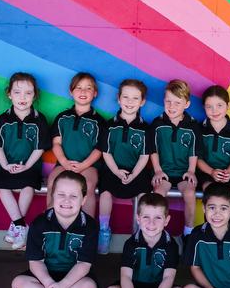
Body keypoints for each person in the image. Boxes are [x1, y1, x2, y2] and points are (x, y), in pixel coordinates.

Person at [3, 171, 102, 288]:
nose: (66, 200)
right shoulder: (40, 223)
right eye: (61, 194)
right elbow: (35, 262)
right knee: (18, 283)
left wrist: (62, 286)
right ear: (52, 195)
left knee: (89, 287)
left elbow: (84, 264)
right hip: (44, 277)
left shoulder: (90, 226)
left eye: (74, 196)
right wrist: (49, 284)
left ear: (84, 200)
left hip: (74, 280)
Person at [103, 193, 187, 288]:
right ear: (138, 219)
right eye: (146, 217)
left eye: (158, 218)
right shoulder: (130, 244)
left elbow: (168, 279)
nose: (151, 223)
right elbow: (125, 278)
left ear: (166, 220)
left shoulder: (171, 245)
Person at [0, 73, 50, 250]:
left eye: (28, 93)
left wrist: (26, 165)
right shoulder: (3, 119)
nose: (22, 98)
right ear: (9, 94)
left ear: (35, 95)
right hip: (7, 164)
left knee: (28, 186)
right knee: (1, 185)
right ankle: (20, 225)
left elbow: (39, 148)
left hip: (30, 165)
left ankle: (16, 226)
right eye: (17, 92)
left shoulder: (39, 119)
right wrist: (5, 165)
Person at [97, 79, 152, 254]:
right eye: (126, 97)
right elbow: (106, 153)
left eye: (135, 98)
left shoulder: (145, 128)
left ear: (142, 101)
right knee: (105, 191)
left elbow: (145, 156)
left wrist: (134, 174)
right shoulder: (109, 124)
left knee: (145, 193)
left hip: (137, 171)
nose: (130, 102)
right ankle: (104, 229)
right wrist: (116, 171)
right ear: (118, 99)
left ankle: (140, 233)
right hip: (113, 169)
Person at [46, 72, 105, 217]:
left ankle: (86, 228)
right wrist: (65, 162)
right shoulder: (62, 117)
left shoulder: (99, 121)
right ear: (71, 92)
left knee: (88, 185)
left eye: (88, 88)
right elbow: (56, 143)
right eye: (78, 87)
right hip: (64, 164)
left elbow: (99, 149)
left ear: (95, 93)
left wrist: (84, 165)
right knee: (53, 182)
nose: (83, 91)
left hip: (89, 166)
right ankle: (50, 224)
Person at [149, 79, 201, 241]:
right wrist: (157, 170)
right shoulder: (157, 124)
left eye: (177, 103)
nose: (172, 106)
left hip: (184, 172)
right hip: (163, 171)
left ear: (186, 104)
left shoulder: (192, 126)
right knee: (158, 193)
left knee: (190, 193)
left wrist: (191, 171)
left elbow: (194, 151)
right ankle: (158, 232)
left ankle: (188, 231)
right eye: (168, 101)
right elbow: (153, 150)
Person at [196, 85, 230, 223]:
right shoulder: (200, 129)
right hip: (207, 172)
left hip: (229, 173)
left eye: (219, 105)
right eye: (209, 106)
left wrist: (228, 173)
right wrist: (211, 171)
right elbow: (198, 159)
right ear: (204, 107)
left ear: (228, 105)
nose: (215, 110)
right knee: (209, 189)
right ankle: (210, 225)